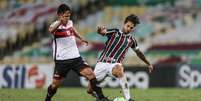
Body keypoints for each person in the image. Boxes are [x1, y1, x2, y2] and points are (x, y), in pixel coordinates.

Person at [45, 4, 110, 101]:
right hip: (62, 60)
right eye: (65, 16)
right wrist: (60, 21)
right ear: (59, 15)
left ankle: (101, 98)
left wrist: (81, 38)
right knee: (55, 85)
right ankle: (47, 99)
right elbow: (50, 30)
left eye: (69, 16)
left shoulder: (70, 22)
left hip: (76, 58)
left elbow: (72, 30)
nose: (67, 18)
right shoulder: (55, 26)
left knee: (91, 74)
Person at [87, 14, 154, 101]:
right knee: (89, 90)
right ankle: (100, 98)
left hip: (114, 64)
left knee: (119, 69)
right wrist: (99, 30)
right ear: (124, 24)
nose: (129, 28)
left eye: (131, 27)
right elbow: (102, 32)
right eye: (128, 26)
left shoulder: (132, 40)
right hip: (102, 64)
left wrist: (148, 63)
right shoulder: (115, 32)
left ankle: (128, 98)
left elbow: (139, 53)